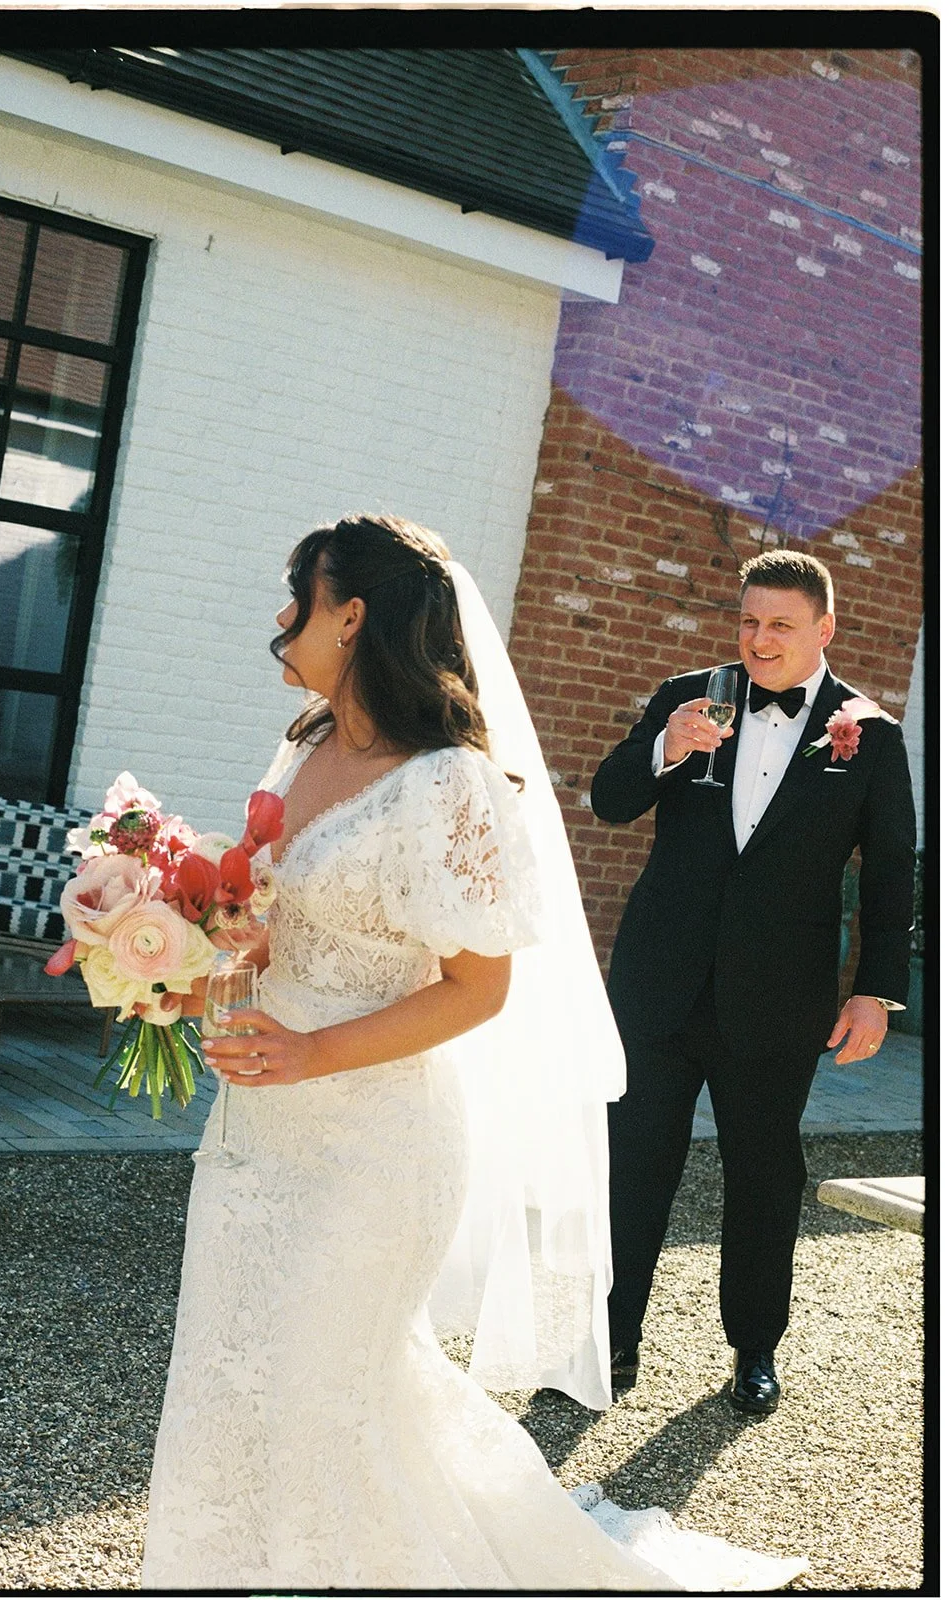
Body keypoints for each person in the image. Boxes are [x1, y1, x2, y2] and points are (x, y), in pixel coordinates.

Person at [141, 514, 806, 1590]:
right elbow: (284, 910)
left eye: (295, 597)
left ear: (350, 616)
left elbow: (475, 987)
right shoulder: (306, 742)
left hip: (372, 1149)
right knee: (234, 1378)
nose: (280, 617)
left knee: (323, 1392)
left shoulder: (447, 783)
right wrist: (201, 948)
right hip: (254, 1136)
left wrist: (313, 1051)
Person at [591, 548, 916, 1417]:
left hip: (779, 999)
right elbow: (609, 800)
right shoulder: (685, 696)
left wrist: (874, 992)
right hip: (661, 983)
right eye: (748, 620)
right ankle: (610, 1337)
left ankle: (753, 1350)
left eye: (779, 624)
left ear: (824, 629)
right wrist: (665, 747)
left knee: (766, 1175)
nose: (759, 639)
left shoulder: (870, 734)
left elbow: (891, 875)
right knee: (632, 1165)